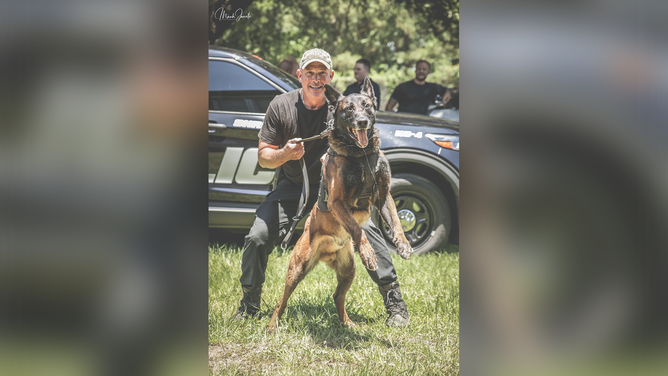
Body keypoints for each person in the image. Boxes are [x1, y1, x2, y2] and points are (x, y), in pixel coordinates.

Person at [234, 48, 410, 327]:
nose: (316, 78)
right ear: (299, 74)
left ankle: (394, 302)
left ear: (330, 76)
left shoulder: (341, 105)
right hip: (295, 186)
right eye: (310, 73)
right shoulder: (281, 106)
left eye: (322, 73)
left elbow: (367, 132)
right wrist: (284, 155)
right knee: (257, 236)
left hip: (342, 191)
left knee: (369, 232)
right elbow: (263, 157)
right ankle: (250, 301)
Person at [385, 59, 452, 115]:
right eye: (419, 69)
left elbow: (447, 90)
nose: (421, 71)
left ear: (428, 72)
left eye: (424, 69)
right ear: (415, 70)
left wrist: (447, 93)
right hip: (403, 123)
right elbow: (389, 107)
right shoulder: (402, 87)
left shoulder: (432, 88)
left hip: (421, 124)